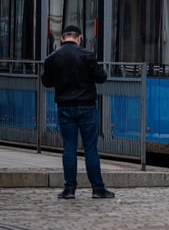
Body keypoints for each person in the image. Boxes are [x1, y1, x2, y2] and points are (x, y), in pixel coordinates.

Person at [41, 25, 114, 199]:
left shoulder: (52, 58)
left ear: (62, 39)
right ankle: (97, 188)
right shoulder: (87, 55)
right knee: (90, 148)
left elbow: (46, 82)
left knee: (69, 148)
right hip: (87, 107)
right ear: (79, 38)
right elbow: (101, 77)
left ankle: (69, 189)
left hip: (65, 107)